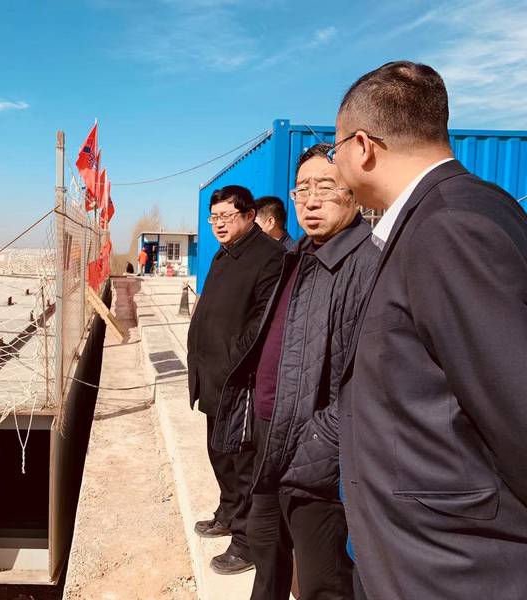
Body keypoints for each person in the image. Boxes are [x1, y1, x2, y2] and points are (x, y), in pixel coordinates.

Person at [331, 61, 527, 600]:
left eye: (335, 148)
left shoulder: (449, 226)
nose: (336, 162)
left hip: (451, 567)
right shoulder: (439, 215)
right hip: (419, 556)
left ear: (363, 146)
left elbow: (516, 407)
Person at [212, 145, 379, 599]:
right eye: (302, 189)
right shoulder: (296, 256)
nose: (311, 200)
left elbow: (365, 382)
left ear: (354, 193)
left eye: (325, 187)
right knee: (265, 551)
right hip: (271, 435)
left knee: (322, 576)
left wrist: (313, 448)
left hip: (316, 452)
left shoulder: (366, 265)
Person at [187, 185, 283, 575]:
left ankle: (247, 542)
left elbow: (261, 324)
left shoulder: (269, 257)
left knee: (244, 463)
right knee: (219, 453)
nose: (219, 225)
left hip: (240, 381)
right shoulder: (224, 254)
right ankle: (227, 514)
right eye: (214, 218)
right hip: (213, 377)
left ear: (249, 215)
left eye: (226, 217)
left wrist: (231, 363)